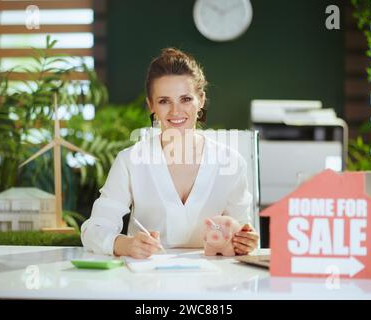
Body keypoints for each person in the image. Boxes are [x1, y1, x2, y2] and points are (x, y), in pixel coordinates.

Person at [81, 48, 259, 259]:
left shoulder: (232, 163)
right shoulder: (130, 161)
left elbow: (241, 230)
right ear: (151, 105)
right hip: (146, 282)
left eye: (185, 99)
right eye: (164, 101)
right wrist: (125, 245)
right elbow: (93, 230)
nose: (175, 111)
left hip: (211, 283)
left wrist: (244, 242)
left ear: (200, 100)